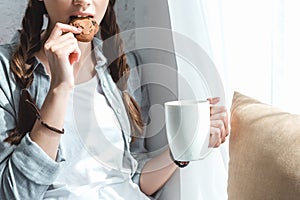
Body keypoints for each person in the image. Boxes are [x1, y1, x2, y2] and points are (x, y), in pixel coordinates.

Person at [0, 0, 229, 199]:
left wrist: (184, 146)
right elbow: (13, 194)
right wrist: (59, 89)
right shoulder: (5, 71)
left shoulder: (119, 66)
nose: (83, 1)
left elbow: (128, 178)